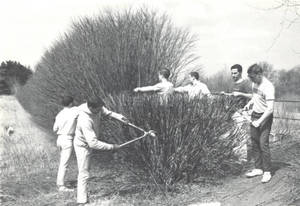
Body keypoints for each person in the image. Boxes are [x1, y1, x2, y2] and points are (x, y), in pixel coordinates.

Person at [74, 97, 129, 205]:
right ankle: (82, 201)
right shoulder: (84, 119)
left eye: (101, 108)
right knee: (84, 173)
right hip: (82, 146)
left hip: (90, 141)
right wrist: (112, 147)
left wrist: (120, 117)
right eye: (98, 109)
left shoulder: (97, 108)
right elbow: (93, 143)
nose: (100, 111)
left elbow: (108, 113)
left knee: (85, 172)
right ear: (90, 107)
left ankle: (83, 198)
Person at [243, 63, 275, 183]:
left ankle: (267, 172)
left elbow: (270, 108)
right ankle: (258, 168)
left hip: (265, 117)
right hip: (254, 114)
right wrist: (249, 104)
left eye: (252, 77)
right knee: (254, 143)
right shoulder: (254, 83)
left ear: (259, 74)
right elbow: (255, 97)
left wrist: (260, 121)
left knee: (263, 144)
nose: (251, 80)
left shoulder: (268, 87)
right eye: (250, 77)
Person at [53, 95, 79, 192]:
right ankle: (61, 186)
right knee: (64, 163)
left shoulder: (59, 114)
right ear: (71, 103)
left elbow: (54, 129)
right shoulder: (75, 110)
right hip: (67, 139)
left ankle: (61, 182)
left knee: (62, 162)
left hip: (59, 139)